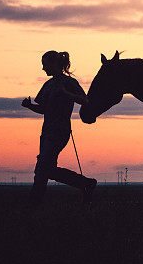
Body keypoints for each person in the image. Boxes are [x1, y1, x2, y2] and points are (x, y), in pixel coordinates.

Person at [22, 50, 96, 206]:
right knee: (47, 169)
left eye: (45, 65)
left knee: (42, 168)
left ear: (55, 64)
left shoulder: (69, 82)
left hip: (60, 131)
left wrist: (66, 93)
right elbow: (44, 109)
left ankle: (33, 204)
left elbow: (84, 100)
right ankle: (86, 184)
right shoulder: (48, 85)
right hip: (46, 132)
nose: (43, 68)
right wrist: (29, 106)